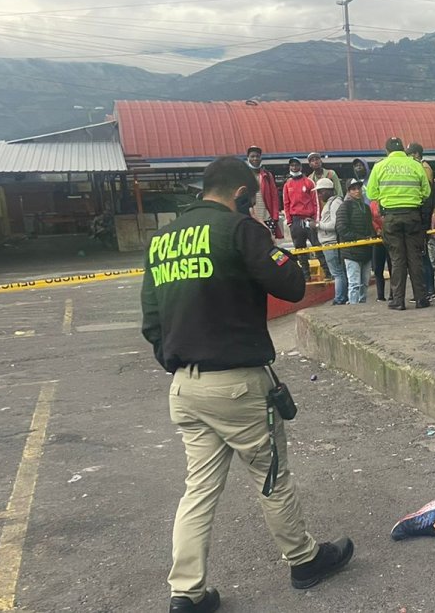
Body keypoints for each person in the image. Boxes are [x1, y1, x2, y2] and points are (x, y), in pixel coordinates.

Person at [140, 156, 353, 613]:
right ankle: (304, 560)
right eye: (251, 198)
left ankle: (187, 592)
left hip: (185, 387)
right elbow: (293, 284)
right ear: (241, 194)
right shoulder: (240, 229)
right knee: (272, 479)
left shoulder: (162, 239)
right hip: (237, 385)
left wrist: (182, 363)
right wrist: (264, 232)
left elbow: (151, 322)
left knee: (199, 490)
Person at [366, 137, 431, 310]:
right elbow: (426, 192)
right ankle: (421, 299)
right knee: (415, 258)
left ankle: (398, 300)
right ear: (403, 149)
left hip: (391, 218)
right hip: (413, 216)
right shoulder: (416, 165)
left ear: (387, 151)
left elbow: (372, 193)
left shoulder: (380, 166)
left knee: (397, 259)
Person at [282, 158, 328, 281]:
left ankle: (327, 273)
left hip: (309, 219)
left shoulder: (309, 182)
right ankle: (306, 276)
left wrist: (316, 220)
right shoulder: (288, 185)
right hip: (295, 220)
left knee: (317, 247)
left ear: (300, 167)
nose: (294, 167)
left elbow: (316, 202)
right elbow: (286, 204)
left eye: (296, 165)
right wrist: (290, 222)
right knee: (300, 249)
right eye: (291, 165)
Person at [406, 142, 435, 301]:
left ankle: (429, 290)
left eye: (410, 154)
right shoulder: (420, 167)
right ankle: (427, 290)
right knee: (420, 255)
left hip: (422, 219)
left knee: (422, 256)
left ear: (417, 154)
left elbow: (426, 196)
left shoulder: (423, 168)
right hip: (421, 218)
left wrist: (423, 221)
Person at [337, 178, 375, 304]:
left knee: (364, 284)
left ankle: (362, 307)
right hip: (351, 252)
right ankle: (353, 309)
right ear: (348, 191)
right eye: (353, 189)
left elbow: (370, 226)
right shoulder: (344, 207)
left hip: (366, 251)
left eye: (358, 188)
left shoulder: (366, 207)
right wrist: (360, 238)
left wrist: (369, 237)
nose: (357, 191)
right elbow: (342, 229)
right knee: (354, 284)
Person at [315, 178, 347, 305]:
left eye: (320, 191)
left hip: (331, 242)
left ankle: (340, 299)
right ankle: (342, 297)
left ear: (328, 191)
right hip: (329, 242)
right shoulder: (331, 203)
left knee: (337, 273)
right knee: (339, 272)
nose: (319, 195)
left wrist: (317, 225)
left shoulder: (335, 203)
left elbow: (334, 224)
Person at [244, 145, 284, 240]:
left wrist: (275, 216)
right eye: (252, 156)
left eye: (257, 156)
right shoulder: (244, 175)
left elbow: (274, 196)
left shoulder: (267, 175)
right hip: (250, 217)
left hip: (267, 216)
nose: (255, 158)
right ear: (248, 158)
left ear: (261, 158)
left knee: (269, 243)